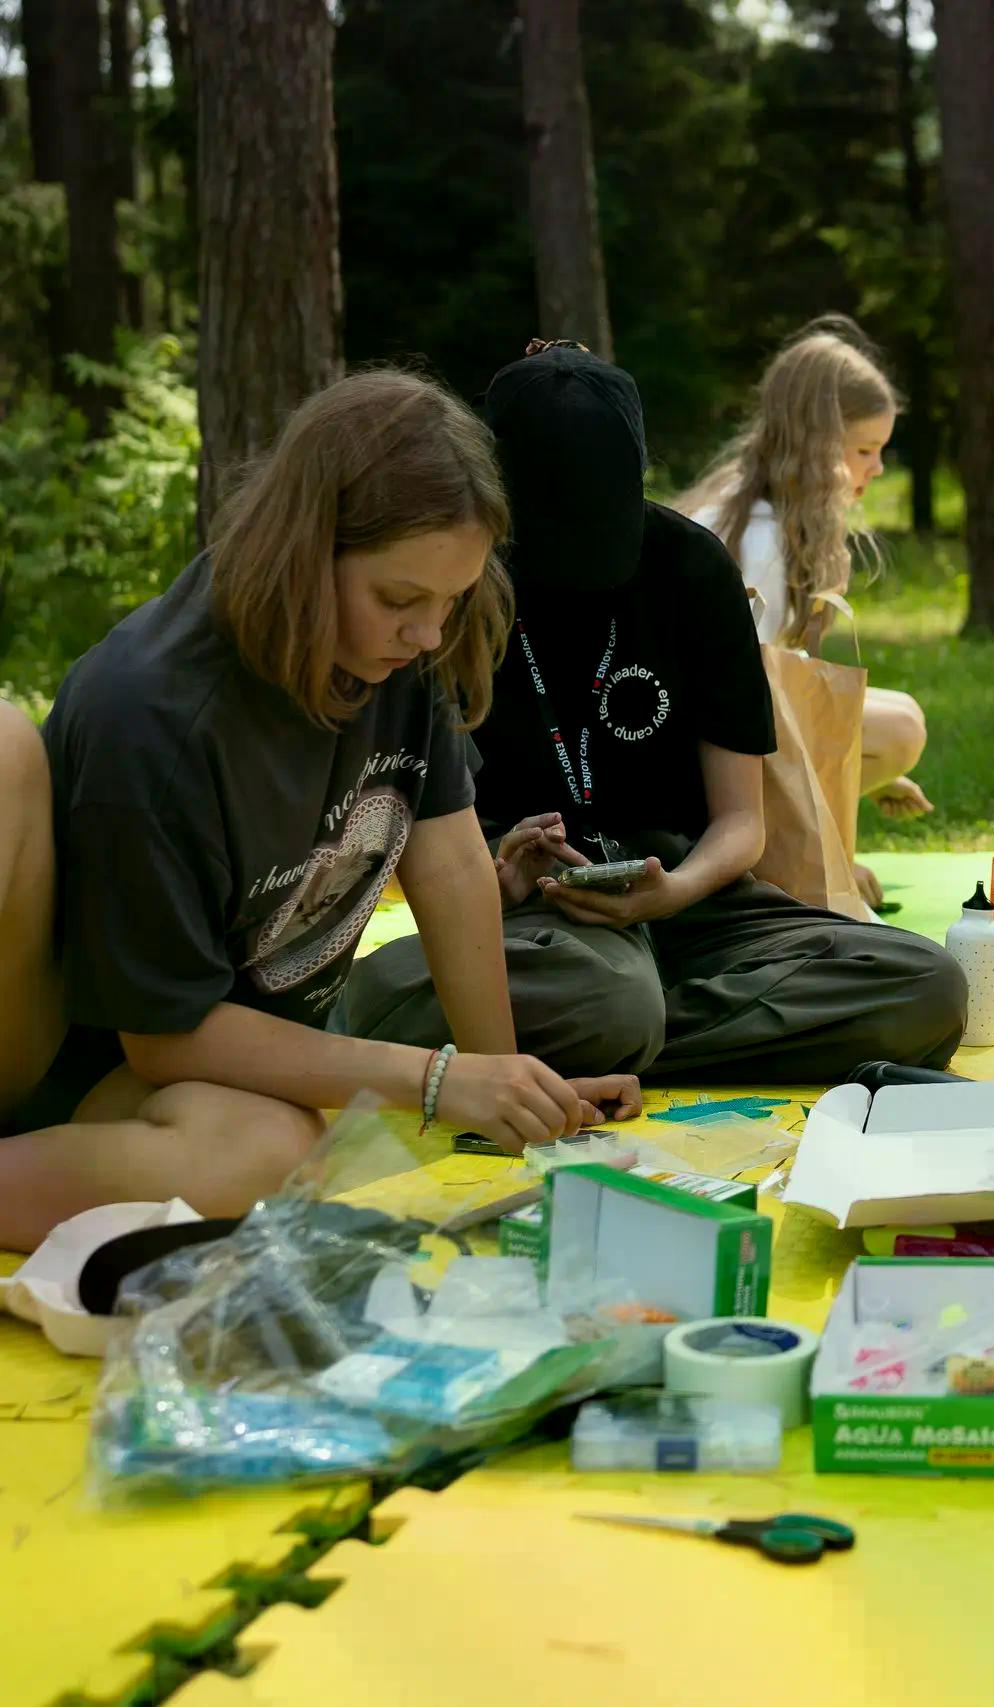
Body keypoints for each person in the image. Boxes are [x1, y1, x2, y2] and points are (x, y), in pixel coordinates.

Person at [5, 373, 640, 1251]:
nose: (428, 634)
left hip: (259, 1051)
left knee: (324, 1140)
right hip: (106, 1070)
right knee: (273, 1152)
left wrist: (507, 1084)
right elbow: (160, 1039)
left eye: (452, 601)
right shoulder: (154, 714)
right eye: (401, 600)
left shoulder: (400, 647)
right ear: (306, 552)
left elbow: (451, 862)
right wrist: (435, 1078)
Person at [340, 342, 965, 1084]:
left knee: (929, 986)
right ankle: (613, 1029)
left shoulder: (693, 569)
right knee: (607, 997)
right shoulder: (461, 589)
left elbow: (743, 823)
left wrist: (679, 886)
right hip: (541, 925)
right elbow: (429, 849)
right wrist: (501, 874)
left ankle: (619, 1043)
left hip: (692, 904)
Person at [679, 316, 933, 854]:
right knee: (899, 729)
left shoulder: (753, 511)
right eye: (864, 450)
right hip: (702, 763)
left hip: (726, 738)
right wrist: (853, 772)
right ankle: (792, 852)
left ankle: (816, 848)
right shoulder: (757, 539)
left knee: (897, 717)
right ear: (818, 446)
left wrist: (863, 773)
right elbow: (749, 700)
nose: (879, 467)